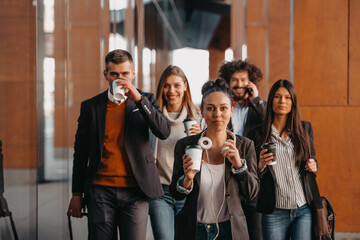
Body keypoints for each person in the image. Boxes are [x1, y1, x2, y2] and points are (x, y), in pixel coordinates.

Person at [67, 49, 170, 240]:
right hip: (100, 190)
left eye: (124, 73)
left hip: (136, 191)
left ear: (133, 73)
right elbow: (80, 152)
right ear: (105, 74)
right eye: (114, 74)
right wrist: (76, 193)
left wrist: (138, 99)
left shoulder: (146, 100)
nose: (120, 78)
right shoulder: (91, 106)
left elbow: (163, 132)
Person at [170, 79, 259, 240]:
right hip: (194, 230)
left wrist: (239, 165)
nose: (217, 114)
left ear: (231, 110)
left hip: (231, 230)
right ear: (202, 111)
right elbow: (176, 194)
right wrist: (187, 179)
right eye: (210, 108)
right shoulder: (185, 145)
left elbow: (252, 193)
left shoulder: (245, 146)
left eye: (223, 108)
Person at [252, 79, 318, 240]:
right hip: (274, 210)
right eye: (277, 97)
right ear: (271, 101)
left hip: (303, 207)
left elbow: (313, 160)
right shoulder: (258, 134)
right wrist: (260, 166)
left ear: (293, 102)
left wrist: (314, 165)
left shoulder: (304, 129)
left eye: (287, 97)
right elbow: (250, 173)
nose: (282, 101)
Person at [149, 65, 202, 240]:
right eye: (166, 85)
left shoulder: (199, 118)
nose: (172, 90)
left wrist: (198, 140)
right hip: (160, 192)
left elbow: (209, 156)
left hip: (188, 190)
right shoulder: (152, 118)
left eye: (177, 85)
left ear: (185, 86)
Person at [218, 59, 266, 240]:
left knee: (255, 232)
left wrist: (256, 99)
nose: (239, 84)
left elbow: (269, 124)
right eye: (235, 80)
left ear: (251, 82)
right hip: (226, 174)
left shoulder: (259, 107)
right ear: (228, 83)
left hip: (251, 173)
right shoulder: (222, 107)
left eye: (243, 80)